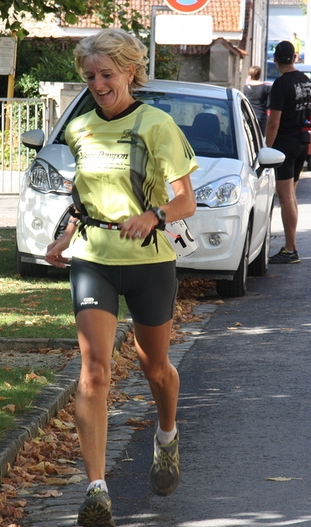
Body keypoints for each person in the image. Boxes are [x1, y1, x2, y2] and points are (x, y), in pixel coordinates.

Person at [44, 28, 197, 527]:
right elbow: (84, 199)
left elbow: (185, 201)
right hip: (94, 260)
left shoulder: (158, 126)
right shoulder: (79, 128)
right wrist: (64, 239)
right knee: (94, 373)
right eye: (90, 76)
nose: (98, 84)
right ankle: (96, 489)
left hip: (150, 262)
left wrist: (154, 215)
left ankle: (167, 436)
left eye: (107, 74)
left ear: (131, 71)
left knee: (156, 369)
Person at [265, 40, 311, 265]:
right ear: (295, 57)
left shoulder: (281, 84)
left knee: (285, 197)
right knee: (291, 196)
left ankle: (290, 248)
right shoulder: (306, 81)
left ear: (275, 59)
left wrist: (266, 149)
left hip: (284, 146)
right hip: (302, 142)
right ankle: (291, 246)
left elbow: (273, 122)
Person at [244, 65, 271, 134]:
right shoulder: (265, 88)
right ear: (259, 74)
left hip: (249, 115)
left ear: (250, 74)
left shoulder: (246, 88)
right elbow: (269, 104)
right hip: (261, 115)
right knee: (260, 138)